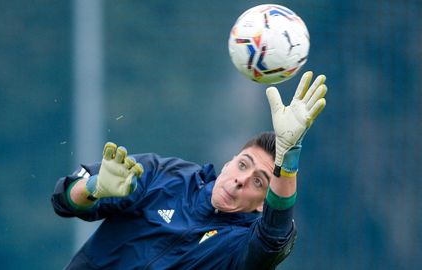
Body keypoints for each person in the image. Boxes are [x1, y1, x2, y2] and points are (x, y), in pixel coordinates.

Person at [52, 71, 327, 269]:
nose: (241, 180)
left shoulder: (241, 246)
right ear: (229, 162)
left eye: (258, 182)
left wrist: (288, 159)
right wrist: (93, 188)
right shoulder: (164, 175)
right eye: (243, 165)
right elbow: (65, 201)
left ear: (261, 205)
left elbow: (274, 237)